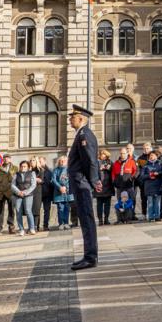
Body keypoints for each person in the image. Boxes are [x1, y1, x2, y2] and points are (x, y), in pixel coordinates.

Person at [68, 104, 101, 270]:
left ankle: (90, 257)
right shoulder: (81, 134)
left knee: (87, 220)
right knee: (85, 219)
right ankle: (89, 255)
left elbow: (90, 160)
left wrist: (94, 181)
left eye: (72, 117)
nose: (69, 119)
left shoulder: (84, 134)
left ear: (81, 118)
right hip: (80, 183)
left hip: (82, 184)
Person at [11, 161, 37, 236]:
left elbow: (33, 185)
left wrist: (25, 192)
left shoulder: (32, 173)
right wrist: (18, 192)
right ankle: (21, 229)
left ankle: (31, 228)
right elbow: (12, 185)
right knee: (18, 212)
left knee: (28, 211)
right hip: (18, 195)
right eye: (22, 166)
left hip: (28, 195)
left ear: (28, 167)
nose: (23, 168)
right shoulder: (16, 174)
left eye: (25, 166)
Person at [140, 149, 162, 222]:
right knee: (150, 202)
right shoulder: (145, 165)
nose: (151, 157)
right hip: (149, 186)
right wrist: (149, 176)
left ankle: (157, 216)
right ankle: (151, 216)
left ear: (156, 156)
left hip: (158, 185)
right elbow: (141, 176)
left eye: (153, 155)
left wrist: (158, 173)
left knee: (157, 202)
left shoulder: (160, 163)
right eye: (150, 155)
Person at [0, 158, 15, 234]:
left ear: (10, 159)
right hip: (0, 193)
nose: (6, 160)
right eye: (4, 158)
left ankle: (11, 226)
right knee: (0, 211)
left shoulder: (15, 168)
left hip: (10, 192)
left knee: (11, 210)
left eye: (8, 158)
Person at [51, 156, 73, 229]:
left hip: (67, 191)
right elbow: (54, 180)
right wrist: (60, 187)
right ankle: (61, 223)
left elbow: (70, 179)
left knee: (67, 207)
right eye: (61, 161)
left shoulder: (69, 170)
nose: (62, 162)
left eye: (64, 161)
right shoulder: (56, 170)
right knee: (60, 208)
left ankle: (66, 222)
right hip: (58, 192)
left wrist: (66, 187)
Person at [95, 149, 114, 225]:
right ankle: (100, 220)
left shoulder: (110, 162)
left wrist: (109, 168)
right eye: (102, 154)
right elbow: (93, 173)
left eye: (104, 154)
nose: (103, 156)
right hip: (99, 186)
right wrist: (99, 169)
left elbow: (113, 171)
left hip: (108, 186)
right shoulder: (96, 162)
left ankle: (106, 219)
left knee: (107, 204)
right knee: (99, 204)